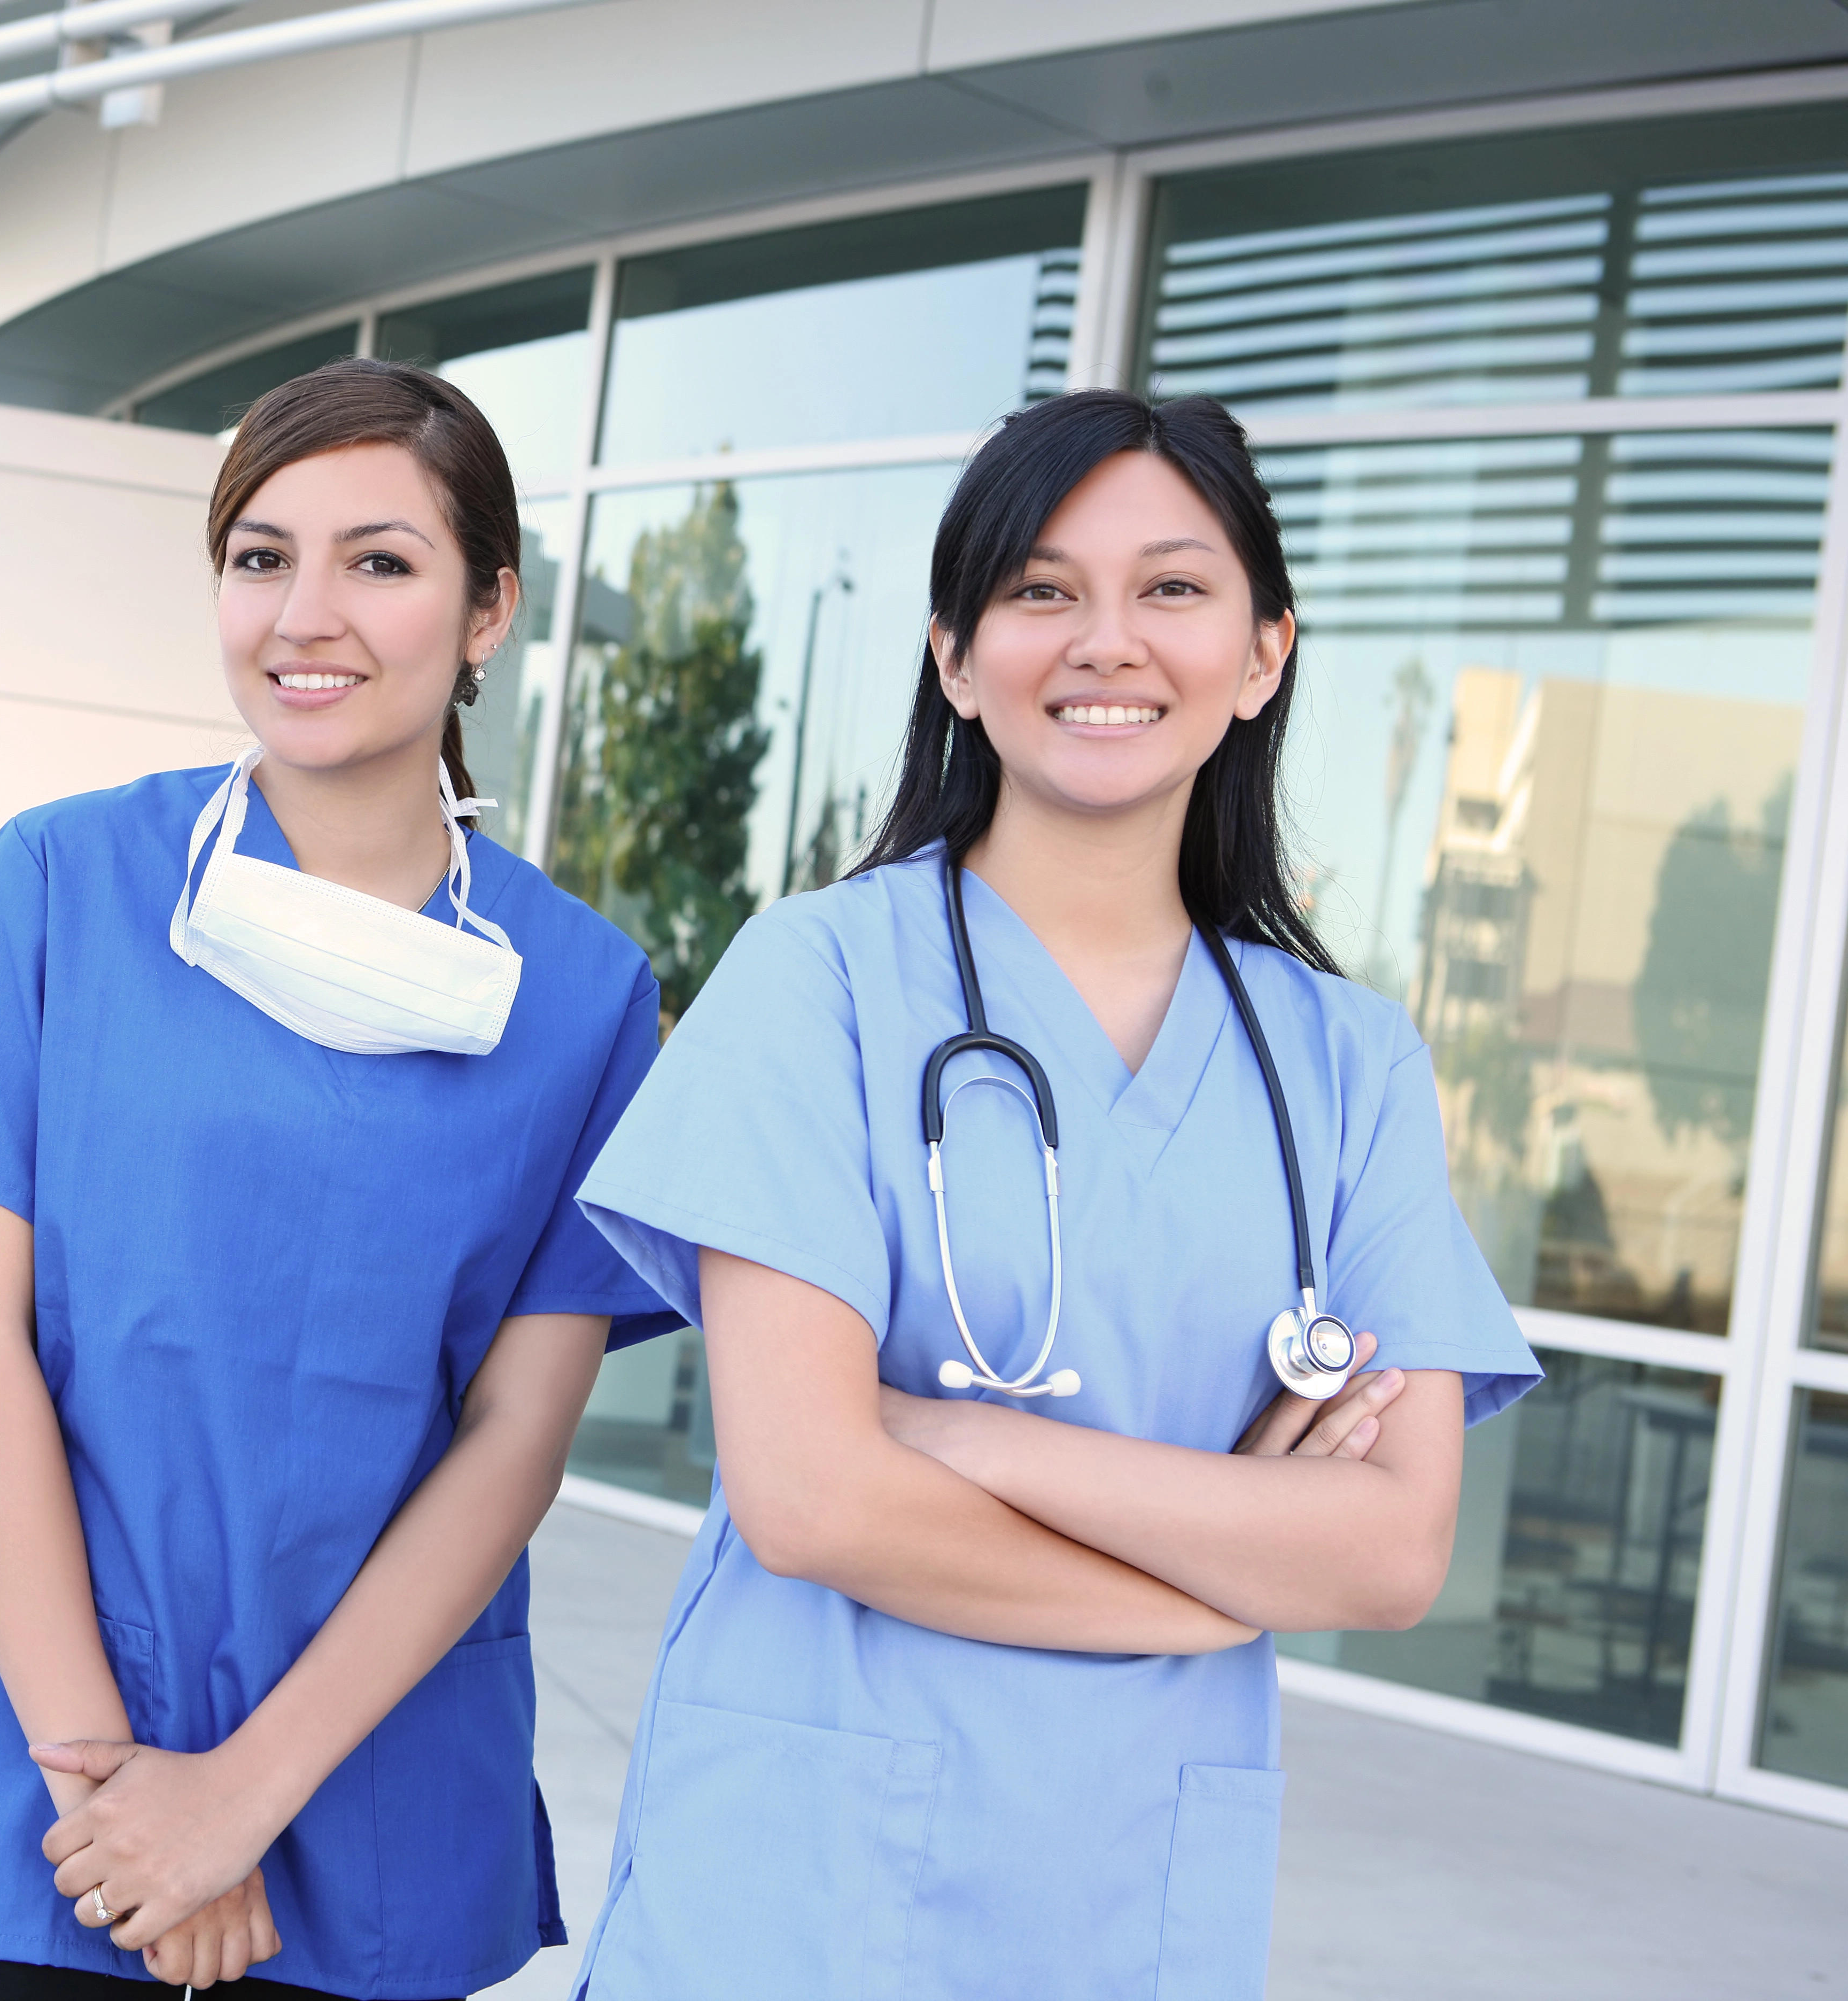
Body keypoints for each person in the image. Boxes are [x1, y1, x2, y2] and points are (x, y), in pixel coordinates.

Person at [563, 390, 1542, 2000]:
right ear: (956, 658)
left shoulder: (1350, 1064)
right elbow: (812, 1501)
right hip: (798, 1892)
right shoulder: (820, 980)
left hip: (1129, 1902)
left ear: (1263, 655)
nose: (1108, 642)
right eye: (1041, 590)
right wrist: (1224, 1578)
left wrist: (959, 1433)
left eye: (1172, 588)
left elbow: (1388, 1555)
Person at [0, 358, 679, 1999]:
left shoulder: (581, 999)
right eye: (262, 557)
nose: (307, 614)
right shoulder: (63, 884)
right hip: (46, 1801)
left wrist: (238, 1802)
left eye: (383, 560)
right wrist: (116, 1796)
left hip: (372, 1809)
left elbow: (514, 1444)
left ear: (489, 611)